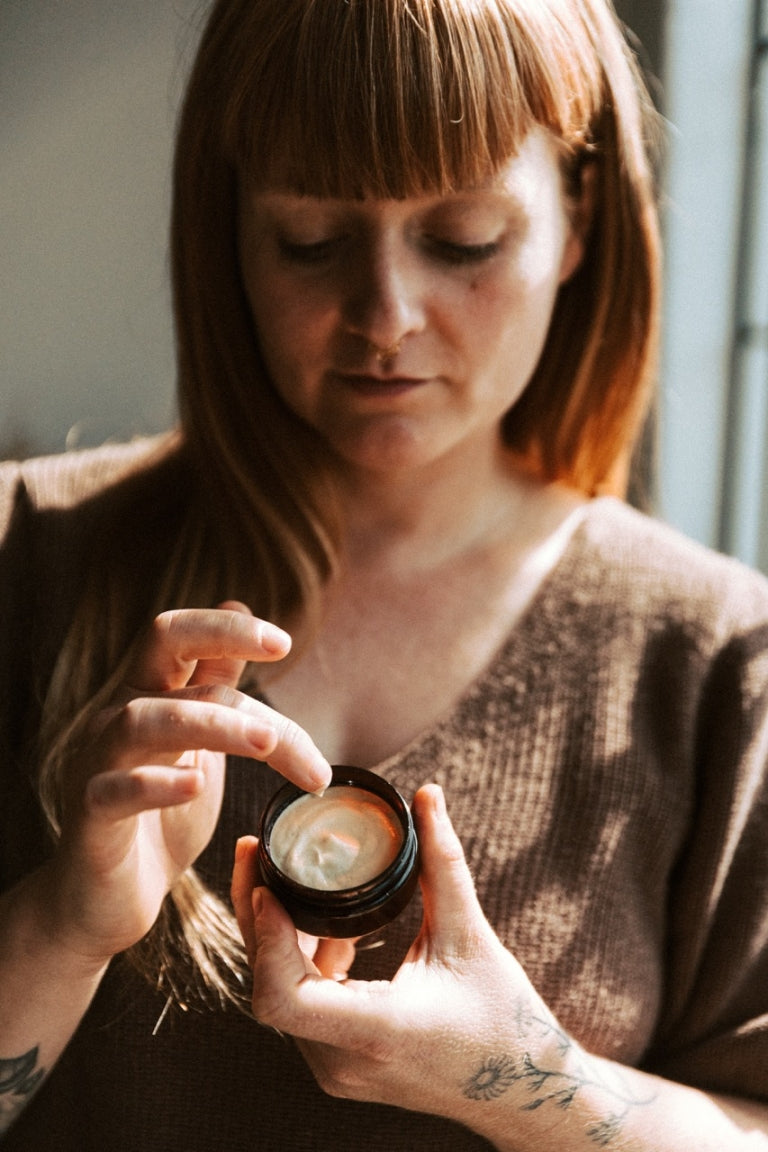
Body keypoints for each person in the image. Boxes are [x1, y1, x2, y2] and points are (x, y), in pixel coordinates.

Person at [1, 0, 768, 1147]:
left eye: (463, 240)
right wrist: (61, 926)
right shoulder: (28, 553)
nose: (387, 319)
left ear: (579, 217)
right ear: (230, 231)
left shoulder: (714, 661)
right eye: (310, 239)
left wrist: (524, 1075)